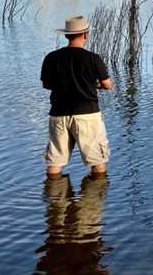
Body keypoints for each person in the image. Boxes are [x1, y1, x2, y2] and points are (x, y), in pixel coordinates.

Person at [41, 15, 113, 177]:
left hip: (58, 114)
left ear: (67, 35)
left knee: (55, 162)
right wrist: (94, 85)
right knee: (98, 161)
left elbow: (46, 85)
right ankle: (92, 199)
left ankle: (56, 199)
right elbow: (107, 85)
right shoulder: (93, 59)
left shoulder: (51, 57)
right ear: (85, 34)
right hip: (87, 115)